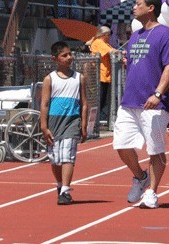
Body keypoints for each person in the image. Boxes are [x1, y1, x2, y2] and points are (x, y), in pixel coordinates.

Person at [113, 0, 169, 209]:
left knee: (155, 149)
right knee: (121, 145)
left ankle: (152, 191)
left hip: (155, 103)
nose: (134, 7)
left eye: (138, 4)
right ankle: (140, 177)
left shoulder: (164, 34)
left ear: (151, 8)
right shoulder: (135, 36)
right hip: (130, 101)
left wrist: (158, 93)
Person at [40, 41, 89, 205]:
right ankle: (60, 185)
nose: (69, 57)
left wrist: (83, 125)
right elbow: (45, 103)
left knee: (68, 156)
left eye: (70, 54)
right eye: (64, 55)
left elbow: (84, 103)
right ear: (55, 58)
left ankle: (66, 190)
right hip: (54, 121)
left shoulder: (79, 78)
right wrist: (44, 126)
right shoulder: (50, 79)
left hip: (72, 121)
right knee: (55, 159)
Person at [89, 26, 115, 129]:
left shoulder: (104, 43)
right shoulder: (99, 42)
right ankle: (93, 123)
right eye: (108, 35)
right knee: (99, 100)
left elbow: (111, 49)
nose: (109, 37)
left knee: (103, 100)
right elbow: (111, 51)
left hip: (105, 76)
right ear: (103, 35)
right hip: (100, 75)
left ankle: (95, 122)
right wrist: (119, 52)